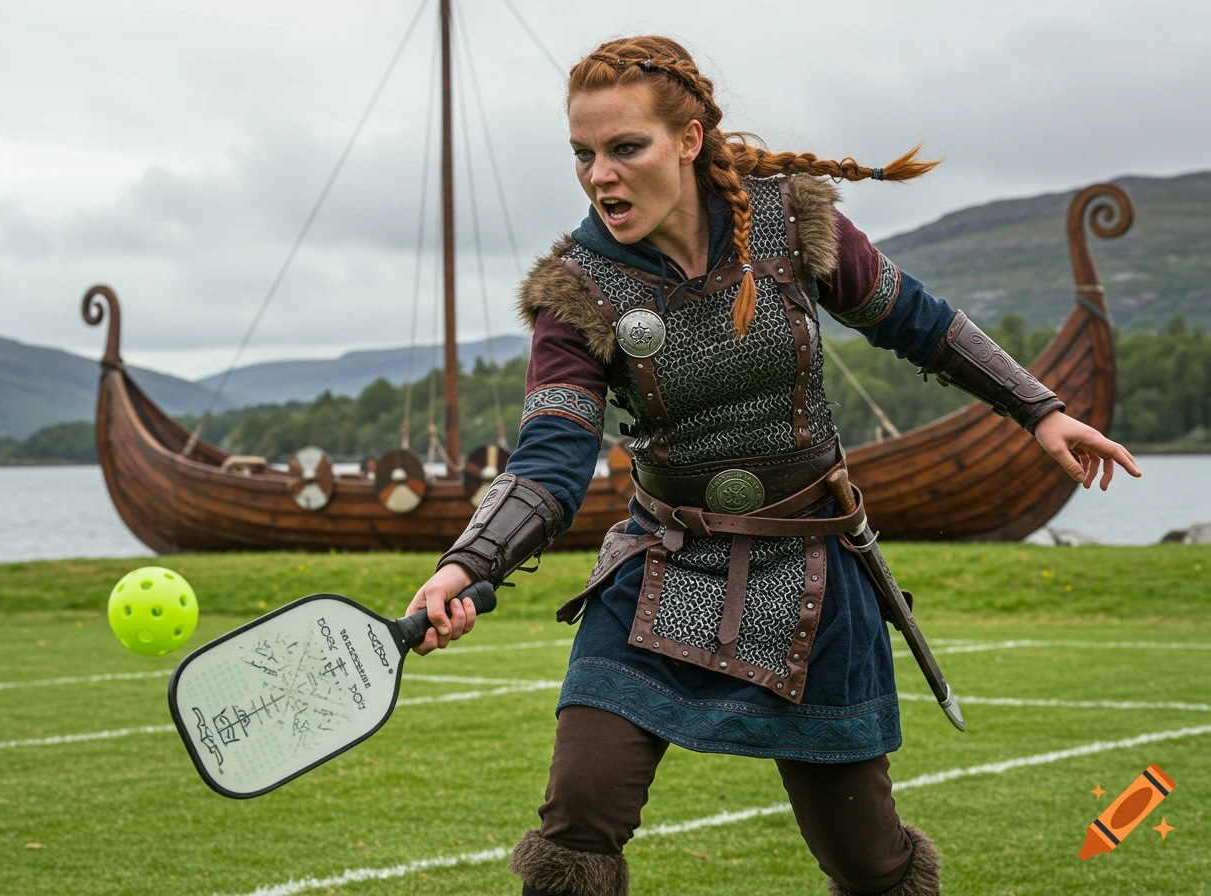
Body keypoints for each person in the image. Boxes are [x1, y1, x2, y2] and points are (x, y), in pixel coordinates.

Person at [404, 35, 1141, 896]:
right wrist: (469, 561)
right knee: (576, 826)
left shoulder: (789, 221)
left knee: (871, 865)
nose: (599, 174)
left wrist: (1039, 409)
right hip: (662, 566)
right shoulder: (579, 290)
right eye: (583, 154)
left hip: (814, 579)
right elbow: (552, 457)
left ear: (689, 139)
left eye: (623, 147)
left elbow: (915, 318)